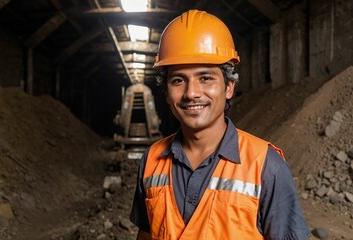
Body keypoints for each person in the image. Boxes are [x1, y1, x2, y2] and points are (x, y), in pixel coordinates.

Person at [130, 9, 311, 240]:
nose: (191, 93)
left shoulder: (266, 167)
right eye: (178, 80)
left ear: (229, 87)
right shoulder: (151, 161)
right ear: (166, 93)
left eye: (205, 78)